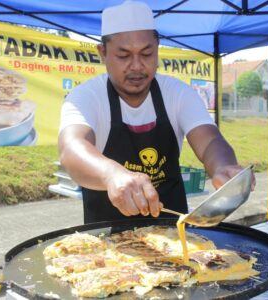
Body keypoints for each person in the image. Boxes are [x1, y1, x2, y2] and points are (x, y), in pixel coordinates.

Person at [59, 0, 254, 224]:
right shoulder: (87, 96)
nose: (136, 66)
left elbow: (209, 140)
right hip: (106, 241)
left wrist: (223, 166)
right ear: (102, 53)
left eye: (146, 53)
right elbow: (71, 148)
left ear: (157, 49)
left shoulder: (178, 93)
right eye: (123, 55)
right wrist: (111, 174)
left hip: (174, 233)